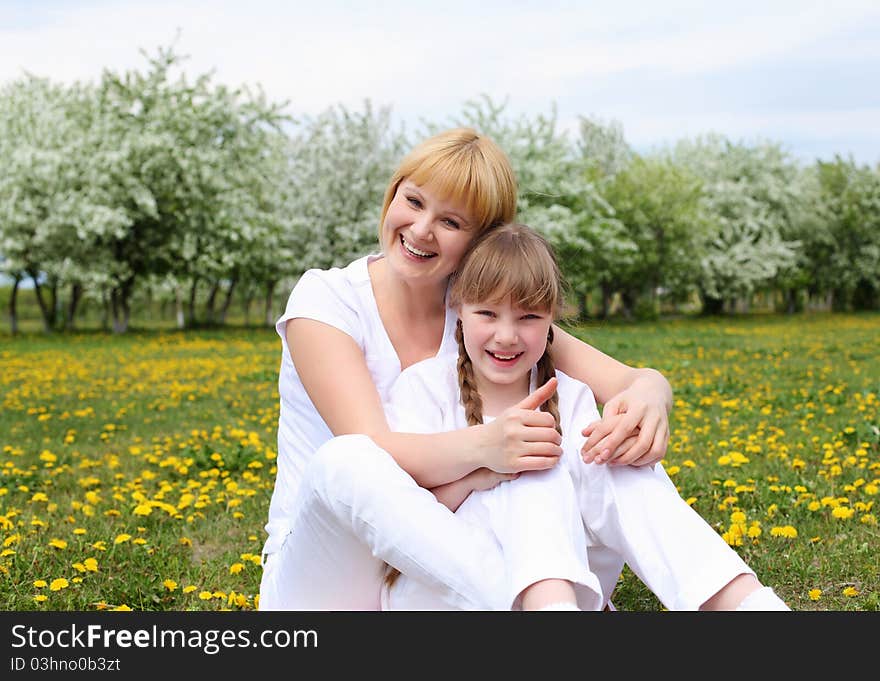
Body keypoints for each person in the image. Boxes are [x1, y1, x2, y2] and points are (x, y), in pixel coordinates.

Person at [258, 127, 674, 611]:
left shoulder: (482, 316)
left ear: (482, 242)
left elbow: (626, 379)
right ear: (393, 195)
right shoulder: (326, 300)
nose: (420, 229)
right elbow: (378, 454)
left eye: (451, 222)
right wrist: (487, 450)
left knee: (593, 454)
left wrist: (652, 391)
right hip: (334, 573)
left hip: (434, 583)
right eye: (413, 201)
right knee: (345, 461)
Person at [380, 223, 790, 611]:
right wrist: (483, 472)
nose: (506, 335)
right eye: (487, 314)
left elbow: (604, 490)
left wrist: (623, 444)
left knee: (616, 469)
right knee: (534, 469)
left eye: (528, 317)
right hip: (443, 590)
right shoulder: (425, 388)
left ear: (551, 320)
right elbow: (399, 519)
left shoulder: (569, 393)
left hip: (564, 584)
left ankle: (747, 603)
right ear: (459, 309)